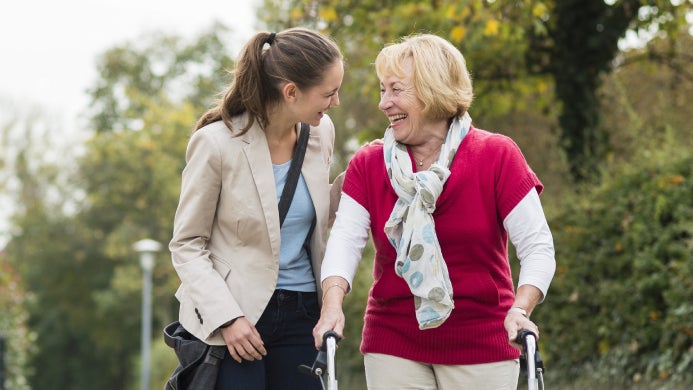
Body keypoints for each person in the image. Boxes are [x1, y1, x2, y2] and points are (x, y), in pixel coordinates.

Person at [313, 33, 556, 389]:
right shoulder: (369, 163)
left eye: (396, 90)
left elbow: (537, 246)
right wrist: (331, 305)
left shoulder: (496, 156)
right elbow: (346, 239)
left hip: (482, 341)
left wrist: (520, 309)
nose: (384, 103)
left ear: (433, 91)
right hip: (393, 339)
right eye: (382, 90)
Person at [169, 27, 344, 390]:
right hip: (237, 318)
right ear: (291, 92)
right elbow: (187, 245)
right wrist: (227, 318)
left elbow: (309, 216)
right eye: (329, 93)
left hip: (302, 313)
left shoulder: (321, 131)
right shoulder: (216, 144)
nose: (336, 102)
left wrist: (360, 175)